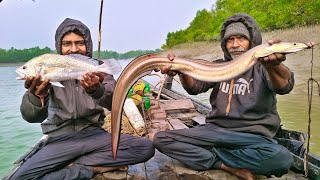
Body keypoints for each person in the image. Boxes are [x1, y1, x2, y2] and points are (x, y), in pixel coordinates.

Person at [153, 13, 298, 180]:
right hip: (214, 131)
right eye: (230, 40)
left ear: (252, 40)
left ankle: (210, 156)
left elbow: (285, 86)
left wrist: (275, 65)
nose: (235, 45)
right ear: (224, 44)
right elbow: (194, 88)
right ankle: (225, 165)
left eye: (241, 38)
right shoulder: (218, 66)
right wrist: (182, 71)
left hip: (251, 136)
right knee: (161, 139)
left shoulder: (264, 67)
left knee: (282, 159)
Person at [10, 18, 155, 180]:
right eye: (67, 44)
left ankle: (72, 165)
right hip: (59, 140)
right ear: (59, 46)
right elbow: (30, 117)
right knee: (20, 177)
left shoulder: (98, 69)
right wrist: (37, 96)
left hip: (94, 136)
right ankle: (91, 168)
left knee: (145, 148)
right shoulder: (44, 74)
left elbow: (116, 102)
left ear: (88, 44)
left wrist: (97, 91)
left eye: (79, 43)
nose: (73, 49)